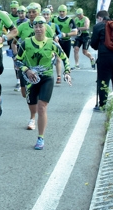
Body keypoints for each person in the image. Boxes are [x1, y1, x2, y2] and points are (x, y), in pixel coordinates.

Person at [15, 16, 72, 149]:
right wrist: (27, 70)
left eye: (41, 26)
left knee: (42, 107)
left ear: (46, 28)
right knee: (31, 103)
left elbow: (64, 58)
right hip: (31, 79)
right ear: (33, 28)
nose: (38, 29)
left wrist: (67, 72)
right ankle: (32, 117)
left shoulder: (52, 43)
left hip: (46, 78)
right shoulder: (26, 43)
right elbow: (18, 61)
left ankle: (40, 138)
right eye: (36, 26)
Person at [90, 10, 113, 111]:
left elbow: (93, 44)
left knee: (103, 80)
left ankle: (102, 105)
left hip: (105, 56)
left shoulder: (98, 26)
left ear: (99, 18)